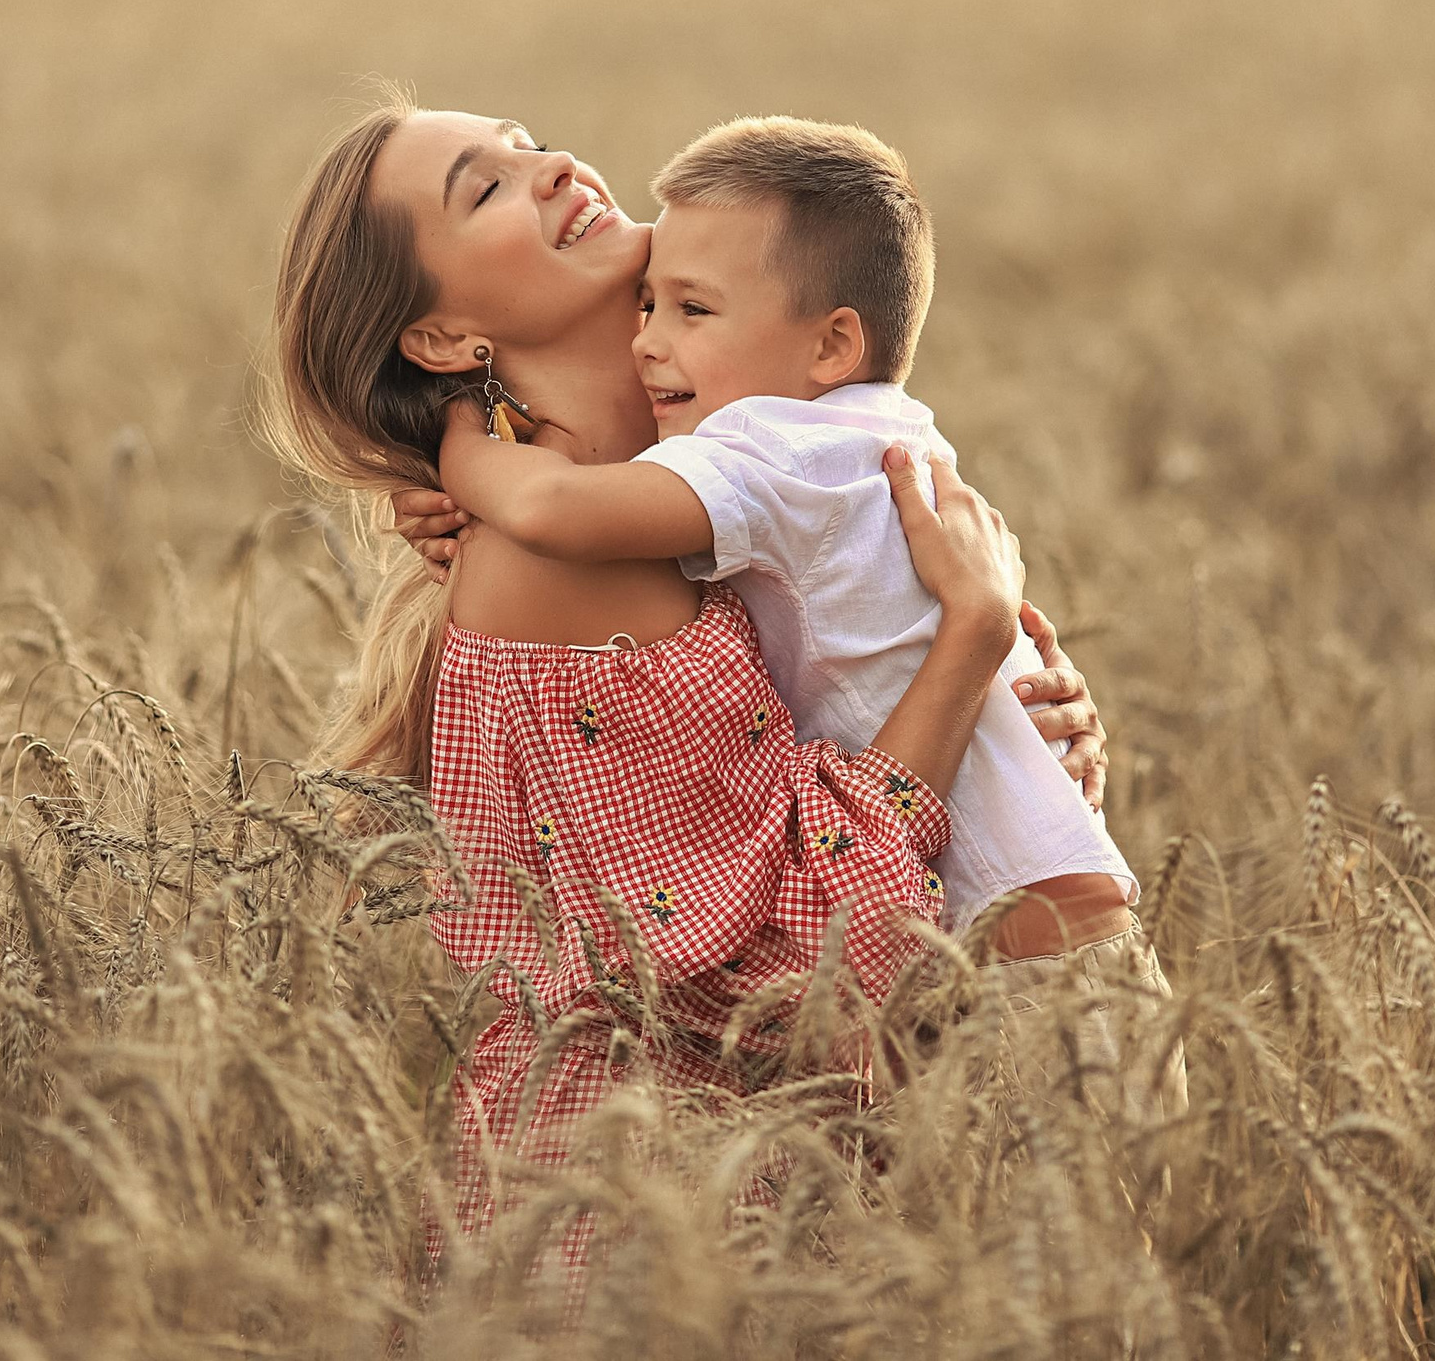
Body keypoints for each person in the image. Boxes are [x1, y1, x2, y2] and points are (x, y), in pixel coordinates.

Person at [261, 93, 1081, 1261]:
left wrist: (1035, 721)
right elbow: (810, 958)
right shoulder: (554, 557)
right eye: (485, 187)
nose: (553, 167)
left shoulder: (712, 466)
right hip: (655, 1231)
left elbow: (842, 682)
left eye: (530, 143)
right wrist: (970, 643)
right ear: (443, 342)